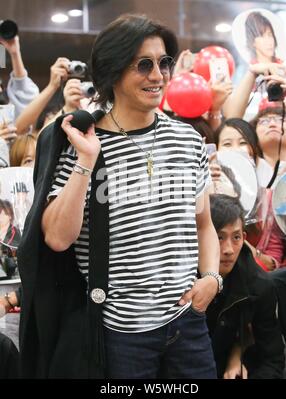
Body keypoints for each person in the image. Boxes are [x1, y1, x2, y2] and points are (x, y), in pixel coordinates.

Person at [18, 13, 221, 379]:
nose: (158, 76)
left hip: (187, 324)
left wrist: (211, 278)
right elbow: (58, 239)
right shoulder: (80, 143)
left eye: (164, 63)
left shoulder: (188, 139)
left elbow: (203, 222)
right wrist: (86, 158)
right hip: (118, 333)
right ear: (113, 71)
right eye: (144, 65)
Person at [207, 194, 285, 379]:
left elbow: (272, 360)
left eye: (235, 238)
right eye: (219, 237)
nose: (228, 249)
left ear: (244, 237)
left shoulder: (259, 285)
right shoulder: (181, 278)